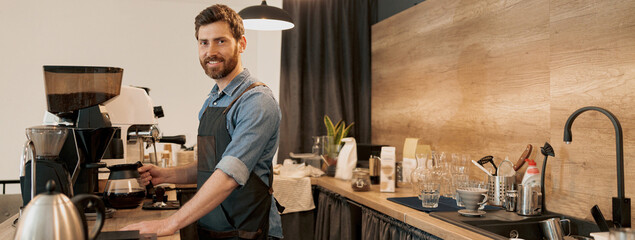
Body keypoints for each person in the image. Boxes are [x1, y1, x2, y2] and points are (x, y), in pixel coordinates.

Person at [122, 4, 283, 239]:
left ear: (242, 44)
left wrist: (169, 223)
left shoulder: (257, 101)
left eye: (221, 41)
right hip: (212, 230)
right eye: (203, 42)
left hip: (250, 232)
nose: (211, 51)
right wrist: (166, 175)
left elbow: (228, 175)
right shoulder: (212, 101)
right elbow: (209, 166)